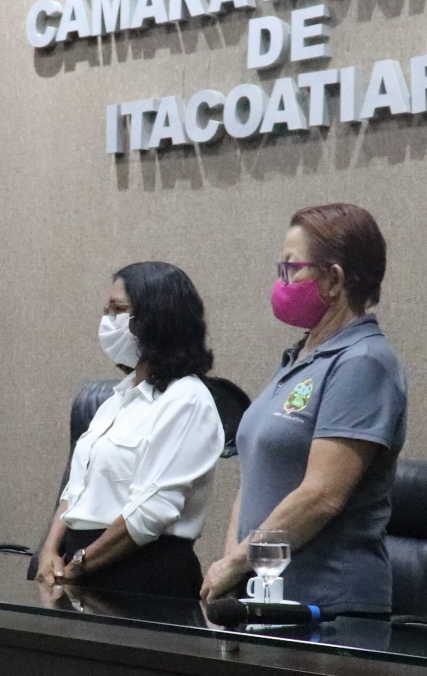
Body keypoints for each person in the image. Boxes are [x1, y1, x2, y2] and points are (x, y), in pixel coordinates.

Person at [203, 204, 408, 616]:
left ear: (333, 279)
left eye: (292, 269)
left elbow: (322, 495)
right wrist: (234, 567)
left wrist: (239, 562)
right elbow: (255, 473)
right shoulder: (300, 358)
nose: (282, 282)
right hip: (265, 596)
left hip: (328, 608)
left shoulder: (363, 362)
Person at [37, 262, 225, 598]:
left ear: (157, 319)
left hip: (142, 572)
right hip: (80, 564)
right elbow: (75, 491)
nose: (108, 321)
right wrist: (50, 551)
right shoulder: (117, 399)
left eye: (118, 310)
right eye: (106, 310)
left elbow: (150, 513)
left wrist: (78, 565)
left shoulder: (187, 400)